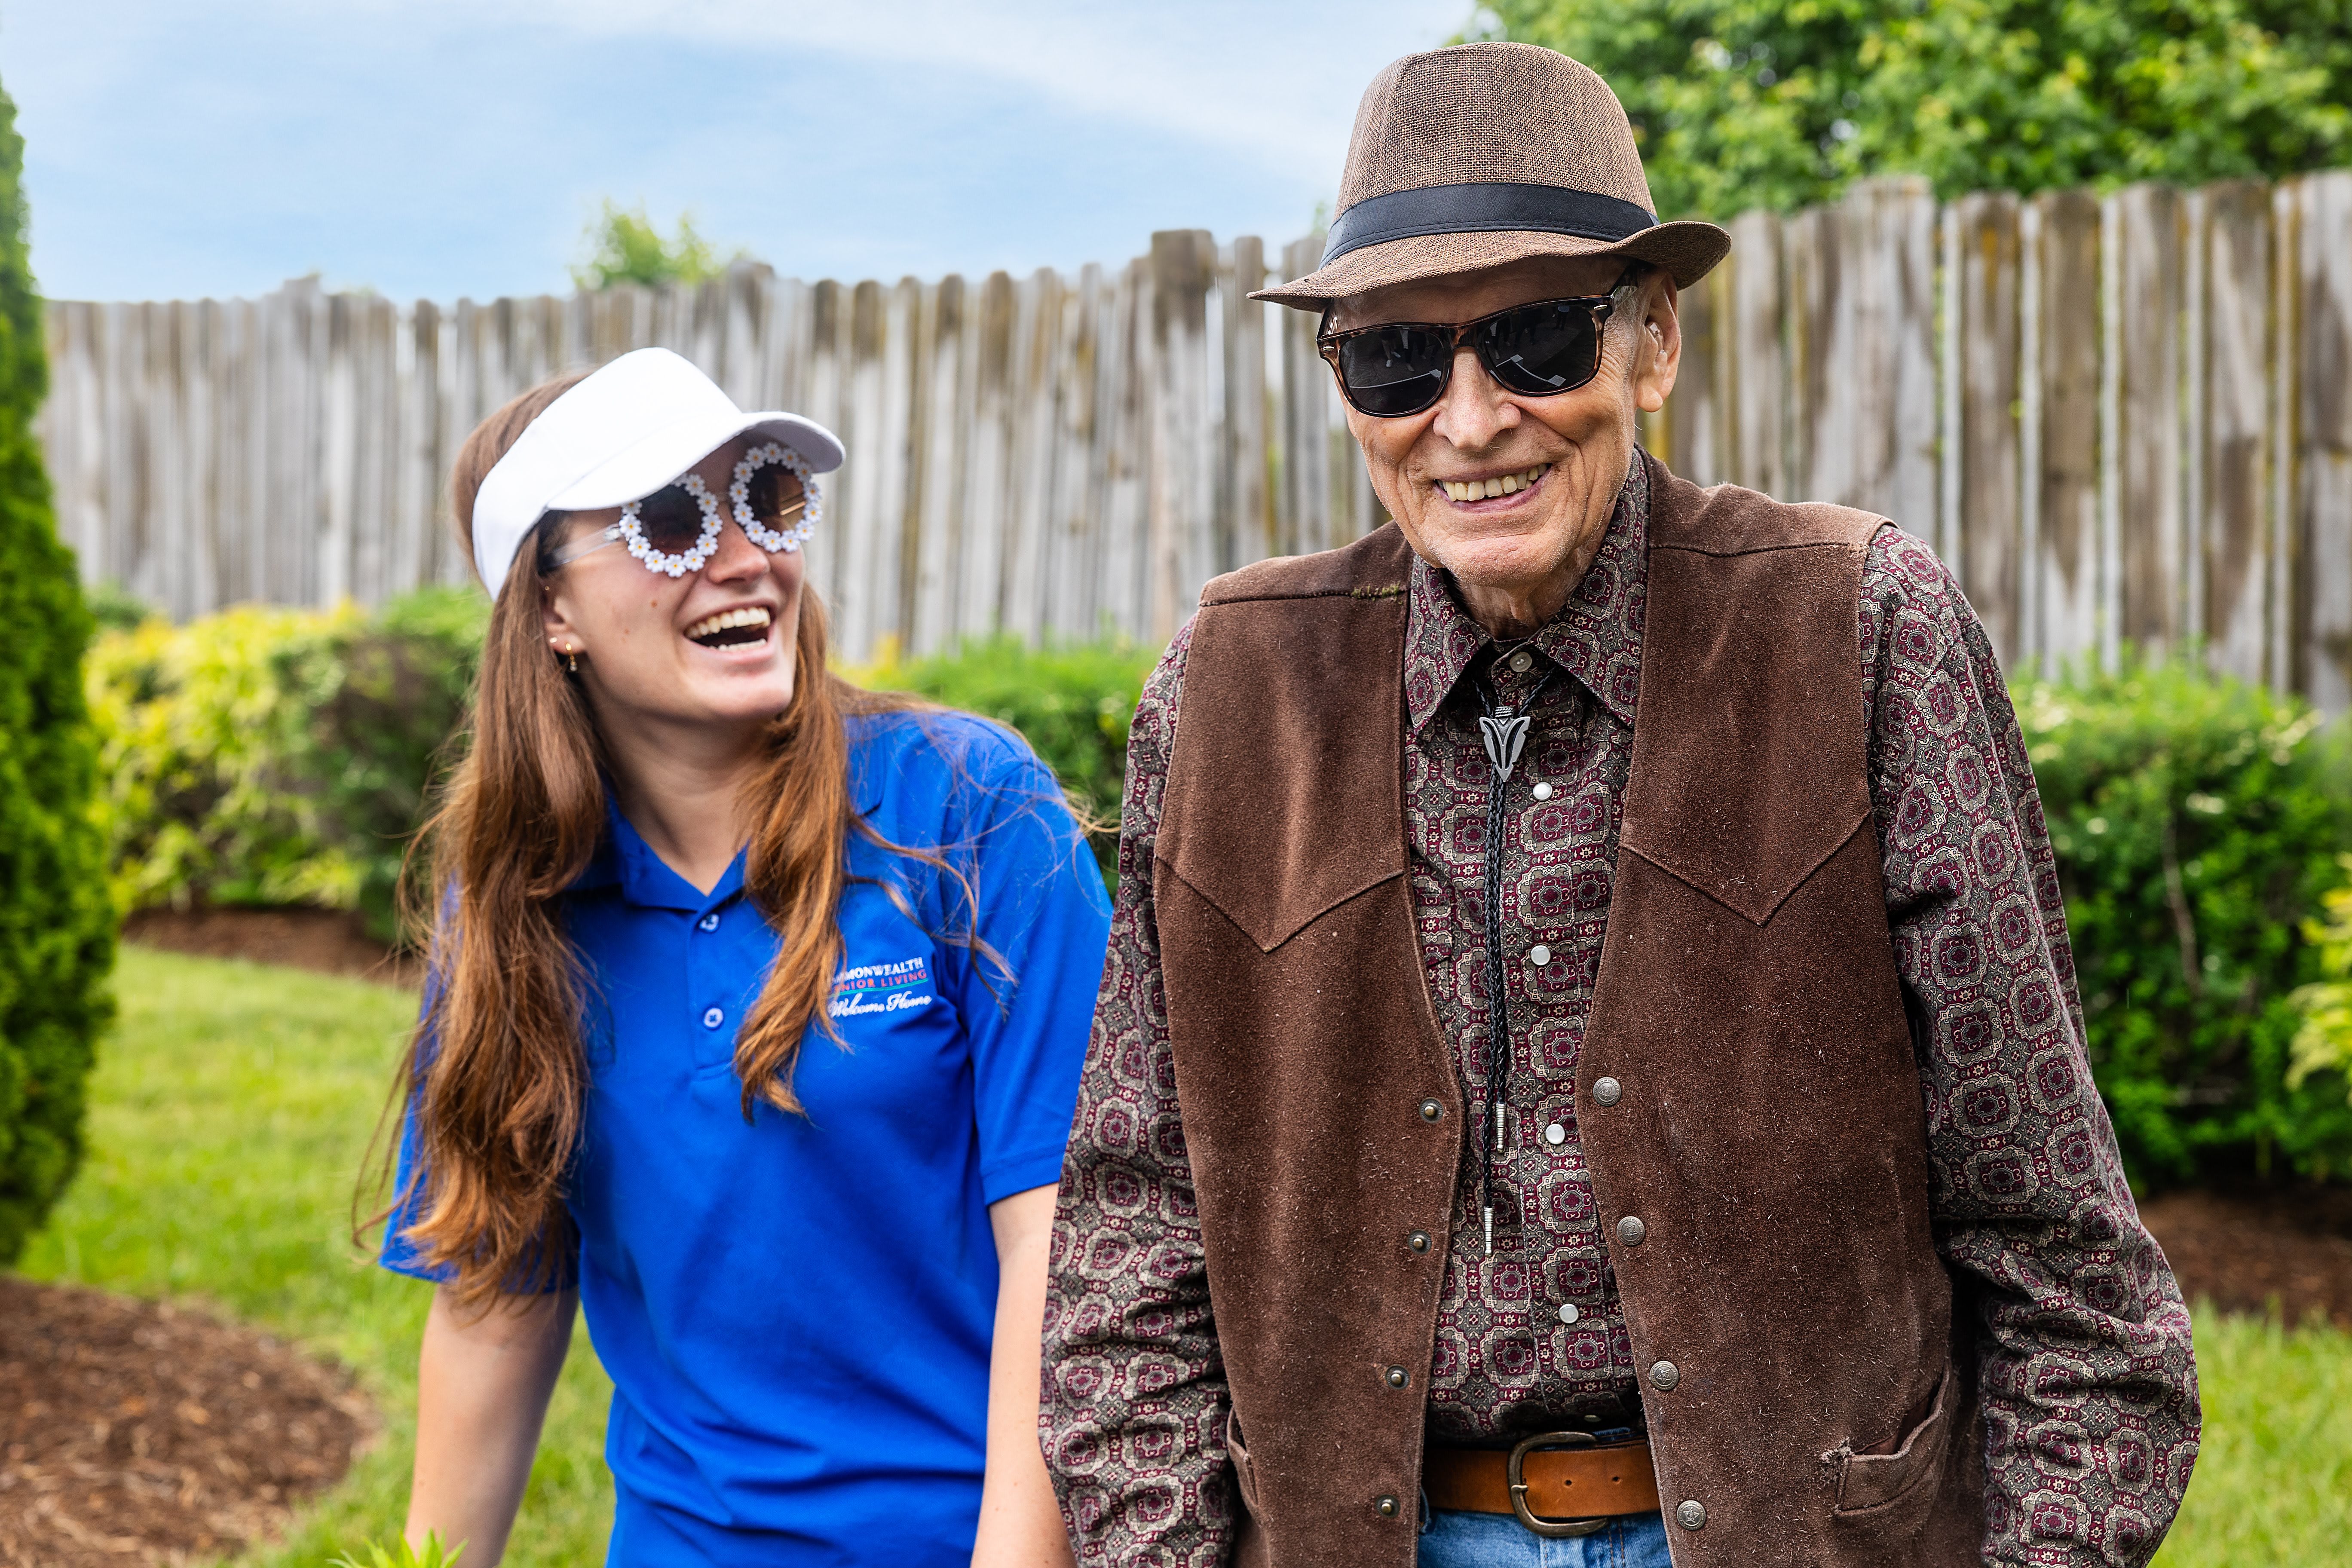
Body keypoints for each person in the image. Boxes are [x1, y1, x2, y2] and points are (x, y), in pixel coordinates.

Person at [1042, 42, 2197, 1568]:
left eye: (1536, 341)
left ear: (1654, 343)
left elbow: (2055, 1239)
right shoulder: (1226, 686)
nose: (1468, 422)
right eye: (1397, 362)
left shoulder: (1860, 628)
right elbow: (1132, 1232)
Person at [375, 347, 1111, 1567]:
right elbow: (495, 1301)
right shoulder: (515, 907)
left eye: (764, 499)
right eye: (668, 521)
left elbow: (1065, 1239)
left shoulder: (968, 808)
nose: (743, 558)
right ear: (551, 612)